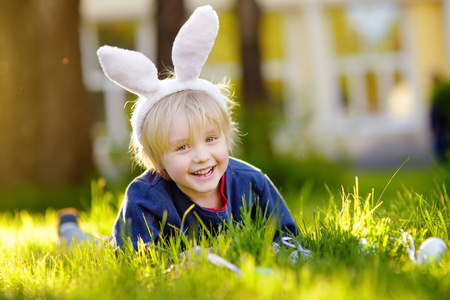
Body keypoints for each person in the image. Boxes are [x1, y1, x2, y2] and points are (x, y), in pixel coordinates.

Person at [60, 5, 298, 251]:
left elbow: (288, 238)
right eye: (182, 147)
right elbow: (135, 257)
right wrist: (183, 261)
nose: (202, 156)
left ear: (226, 137)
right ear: (156, 159)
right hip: (134, 243)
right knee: (93, 248)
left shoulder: (251, 183)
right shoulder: (146, 196)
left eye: (210, 139)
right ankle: (69, 231)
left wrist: (271, 251)